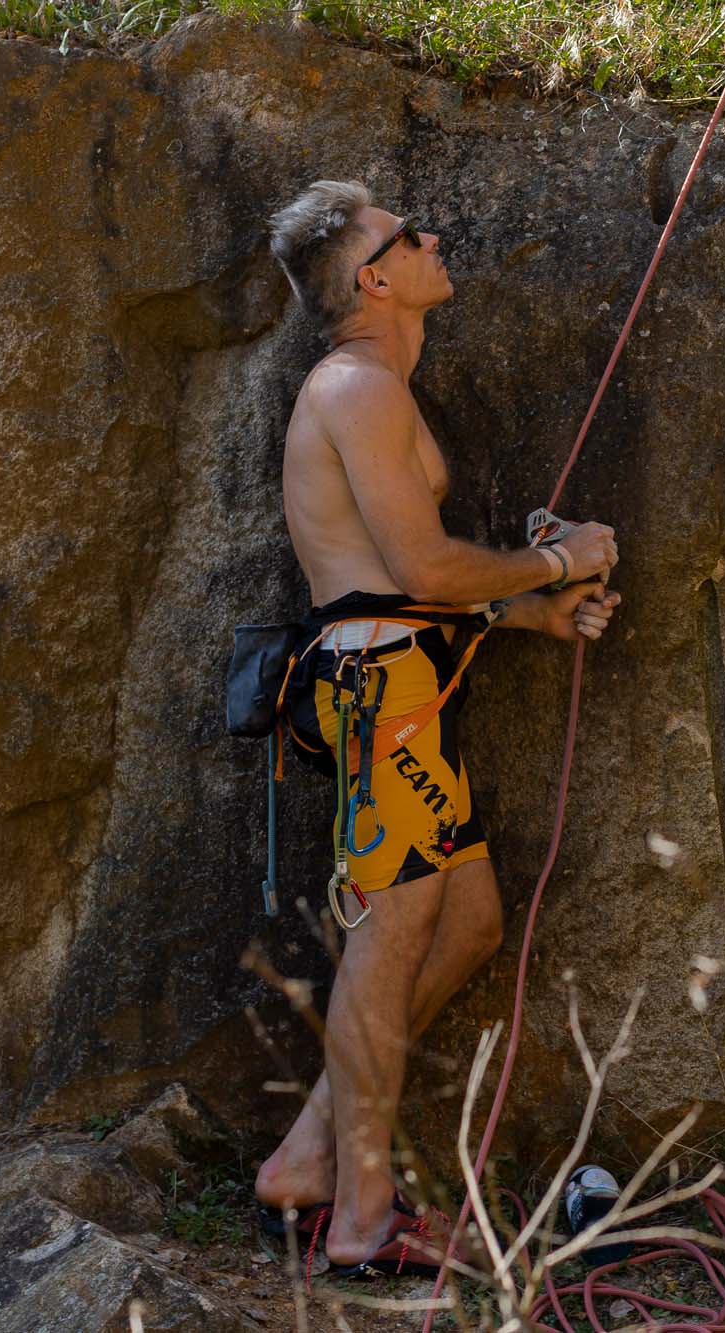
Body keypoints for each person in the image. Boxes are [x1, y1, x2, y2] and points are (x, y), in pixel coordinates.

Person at [256, 179, 622, 1274]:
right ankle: (363, 1220)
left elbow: (399, 588)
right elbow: (417, 570)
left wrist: (527, 611)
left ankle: (305, 1158)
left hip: (403, 678)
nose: (431, 240)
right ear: (374, 278)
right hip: (383, 698)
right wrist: (562, 558)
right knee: (390, 937)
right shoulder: (357, 388)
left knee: (462, 924)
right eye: (406, 235)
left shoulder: (376, 389)